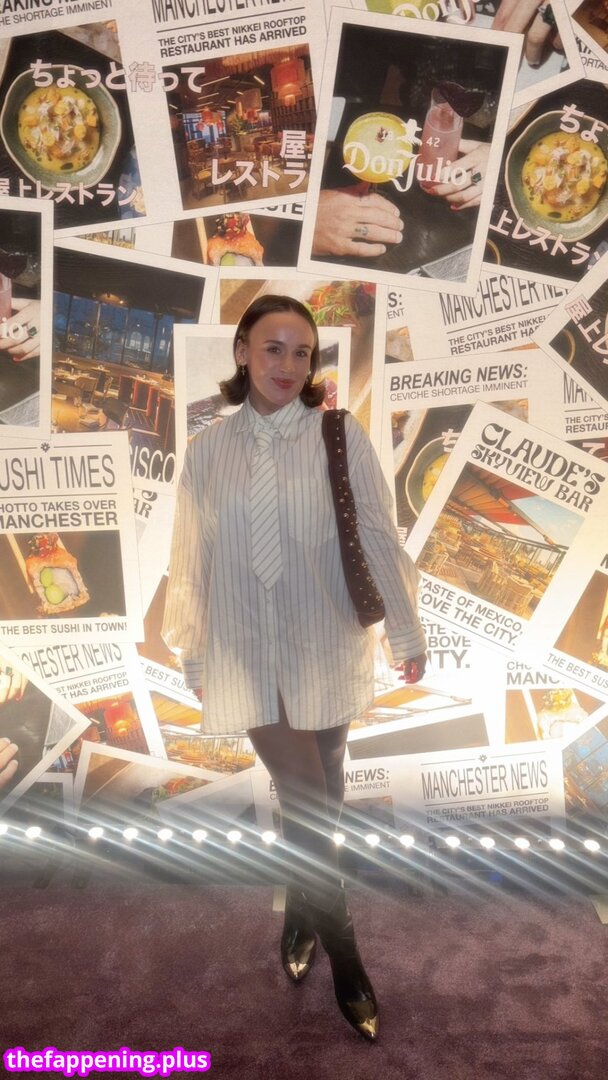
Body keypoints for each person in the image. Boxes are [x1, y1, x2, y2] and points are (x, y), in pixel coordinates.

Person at [162, 295, 427, 1042]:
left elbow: (377, 533)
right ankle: (347, 957)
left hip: (326, 641)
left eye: (302, 352)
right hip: (246, 650)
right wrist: (193, 650)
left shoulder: (339, 434)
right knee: (310, 804)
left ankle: (301, 904)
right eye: (273, 348)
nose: (288, 365)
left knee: (324, 795)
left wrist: (405, 629)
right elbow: (192, 557)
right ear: (242, 351)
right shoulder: (207, 450)